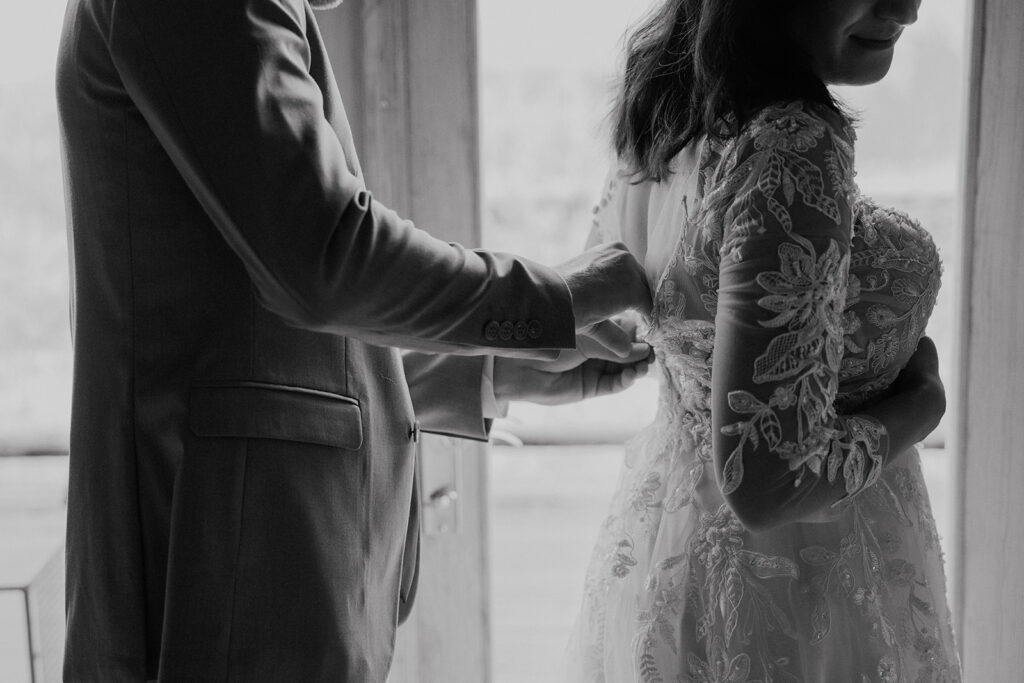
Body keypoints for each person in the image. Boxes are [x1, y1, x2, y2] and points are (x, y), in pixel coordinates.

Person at [55, 0, 653, 680]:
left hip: (247, 565)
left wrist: (490, 368)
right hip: (215, 571)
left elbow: (238, 320)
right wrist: (552, 298)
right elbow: (324, 259)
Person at [566, 0, 962, 680]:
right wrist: (921, 404)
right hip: (803, 587)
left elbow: (636, 300)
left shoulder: (671, 101)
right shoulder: (793, 143)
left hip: (674, 541)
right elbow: (769, 480)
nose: (908, 8)